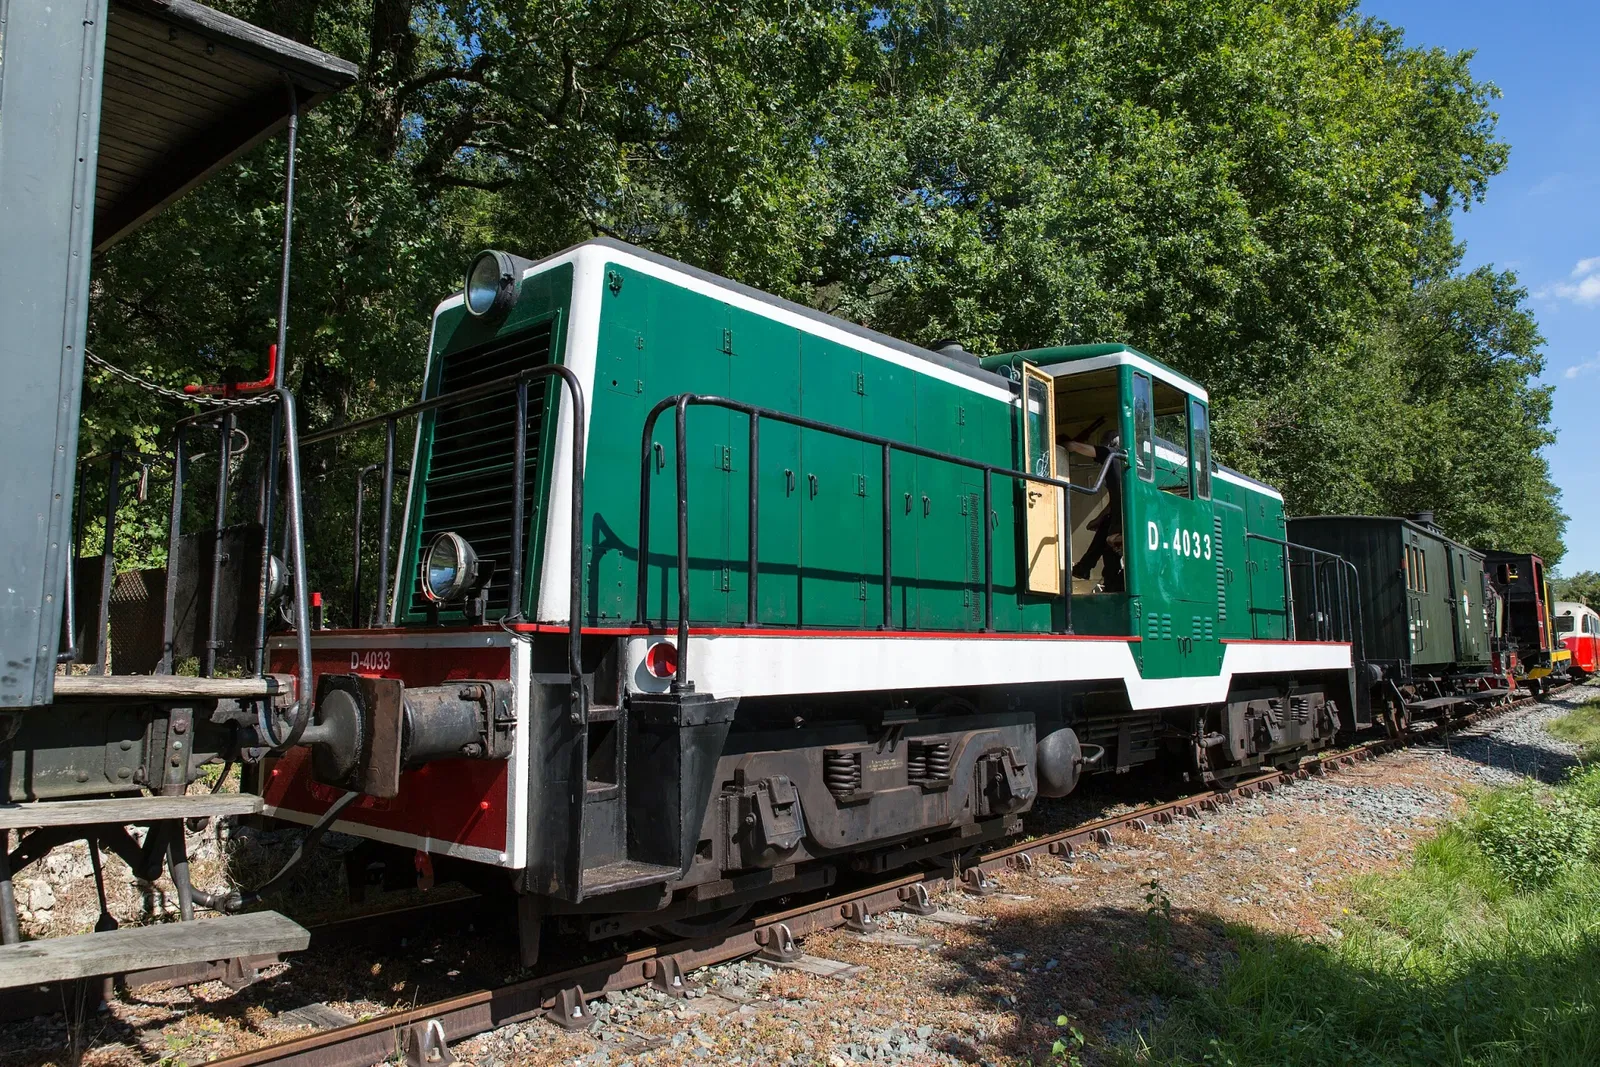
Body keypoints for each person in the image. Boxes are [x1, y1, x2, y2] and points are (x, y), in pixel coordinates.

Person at [1066, 434, 1124, 592]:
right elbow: (1118, 499)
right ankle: (1084, 568)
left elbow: (1079, 448)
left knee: (1110, 551)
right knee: (1105, 524)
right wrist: (1098, 519)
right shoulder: (1131, 463)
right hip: (1131, 521)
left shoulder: (1112, 455)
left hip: (1125, 526)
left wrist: (1067, 444)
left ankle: (1090, 570)